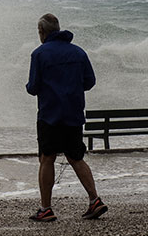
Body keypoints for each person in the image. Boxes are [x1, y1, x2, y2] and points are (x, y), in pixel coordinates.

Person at [25, 13, 106, 222]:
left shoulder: (39, 54)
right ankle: (94, 200)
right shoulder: (78, 52)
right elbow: (89, 81)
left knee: (47, 158)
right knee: (76, 157)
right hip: (73, 113)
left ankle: (46, 208)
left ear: (42, 32)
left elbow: (33, 88)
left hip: (50, 114)